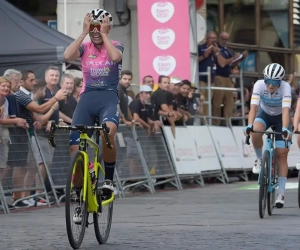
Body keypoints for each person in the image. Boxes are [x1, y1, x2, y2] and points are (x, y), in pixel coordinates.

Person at [63, 8, 123, 193]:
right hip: (87, 98)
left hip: (108, 97)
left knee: (107, 133)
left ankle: (109, 179)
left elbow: (115, 57)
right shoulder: (84, 47)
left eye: (100, 26)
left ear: (107, 28)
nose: (96, 31)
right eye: (93, 27)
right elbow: (67, 56)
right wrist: (83, 32)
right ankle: (79, 190)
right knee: (75, 147)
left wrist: (104, 35)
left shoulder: (115, 44)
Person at [243, 63, 292, 208]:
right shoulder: (258, 85)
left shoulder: (285, 88)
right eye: (268, 81)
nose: (270, 85)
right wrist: (249, 125)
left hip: (280, 118)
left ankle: (281, 193)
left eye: (275, 82)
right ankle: (259, 159)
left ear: (280, 81)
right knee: (256, 131)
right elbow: (253, 108)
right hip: (264, 114)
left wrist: (284, 129)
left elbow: (285, 111)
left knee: (281, 154)